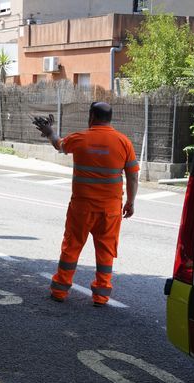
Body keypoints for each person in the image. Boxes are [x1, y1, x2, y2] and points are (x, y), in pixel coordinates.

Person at [33, 102, 139, 306]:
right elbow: (133, 177)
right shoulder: (123, 142)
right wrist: (131, 202)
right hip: (110, 210)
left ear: (91, 116)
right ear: (110, 118)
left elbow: (58, 144)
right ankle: (101, 296)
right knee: (106, 251)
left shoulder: (80, 138)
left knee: (72, 246)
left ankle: (60, 291)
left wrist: (49, 131)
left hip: (81, 209)